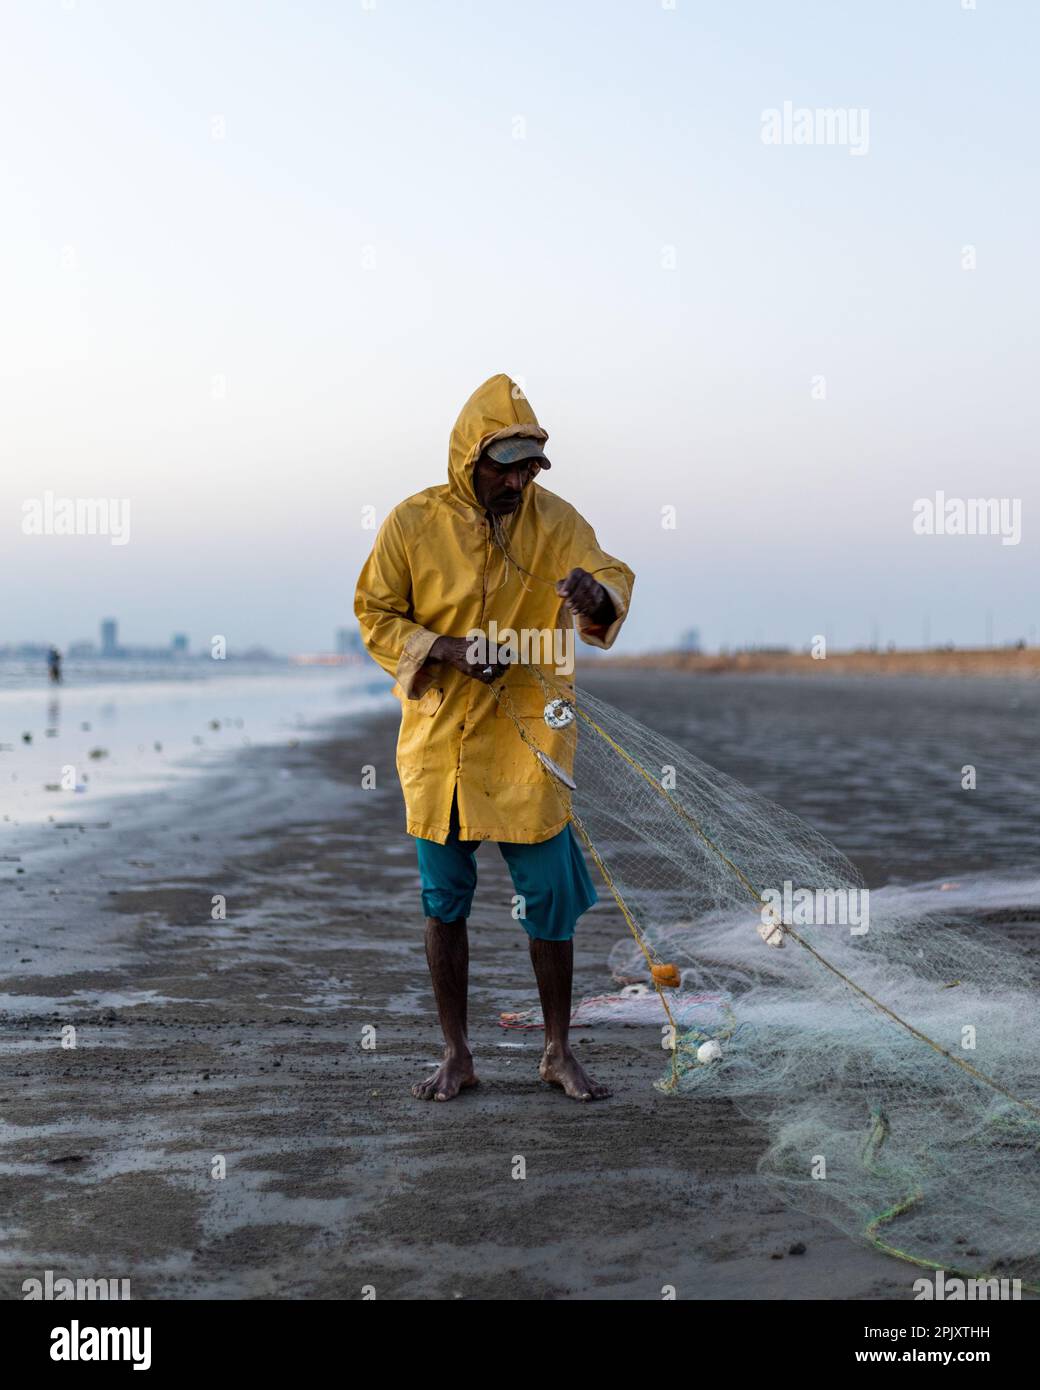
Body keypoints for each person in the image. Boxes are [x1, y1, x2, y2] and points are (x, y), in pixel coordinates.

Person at [355, 374, 634, 1101]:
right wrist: (444, 649)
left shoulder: (557, 522)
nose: (517, 480)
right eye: (504, 465)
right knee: (443, 901)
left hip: (530, 738)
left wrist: (593, 596)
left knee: (549, 899)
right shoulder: (412, 523)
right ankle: (457, 1053)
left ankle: (556, 1050)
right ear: (467, 458)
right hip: (441, 742)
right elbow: (375, 613)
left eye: (528, 467)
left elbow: (609, 581)